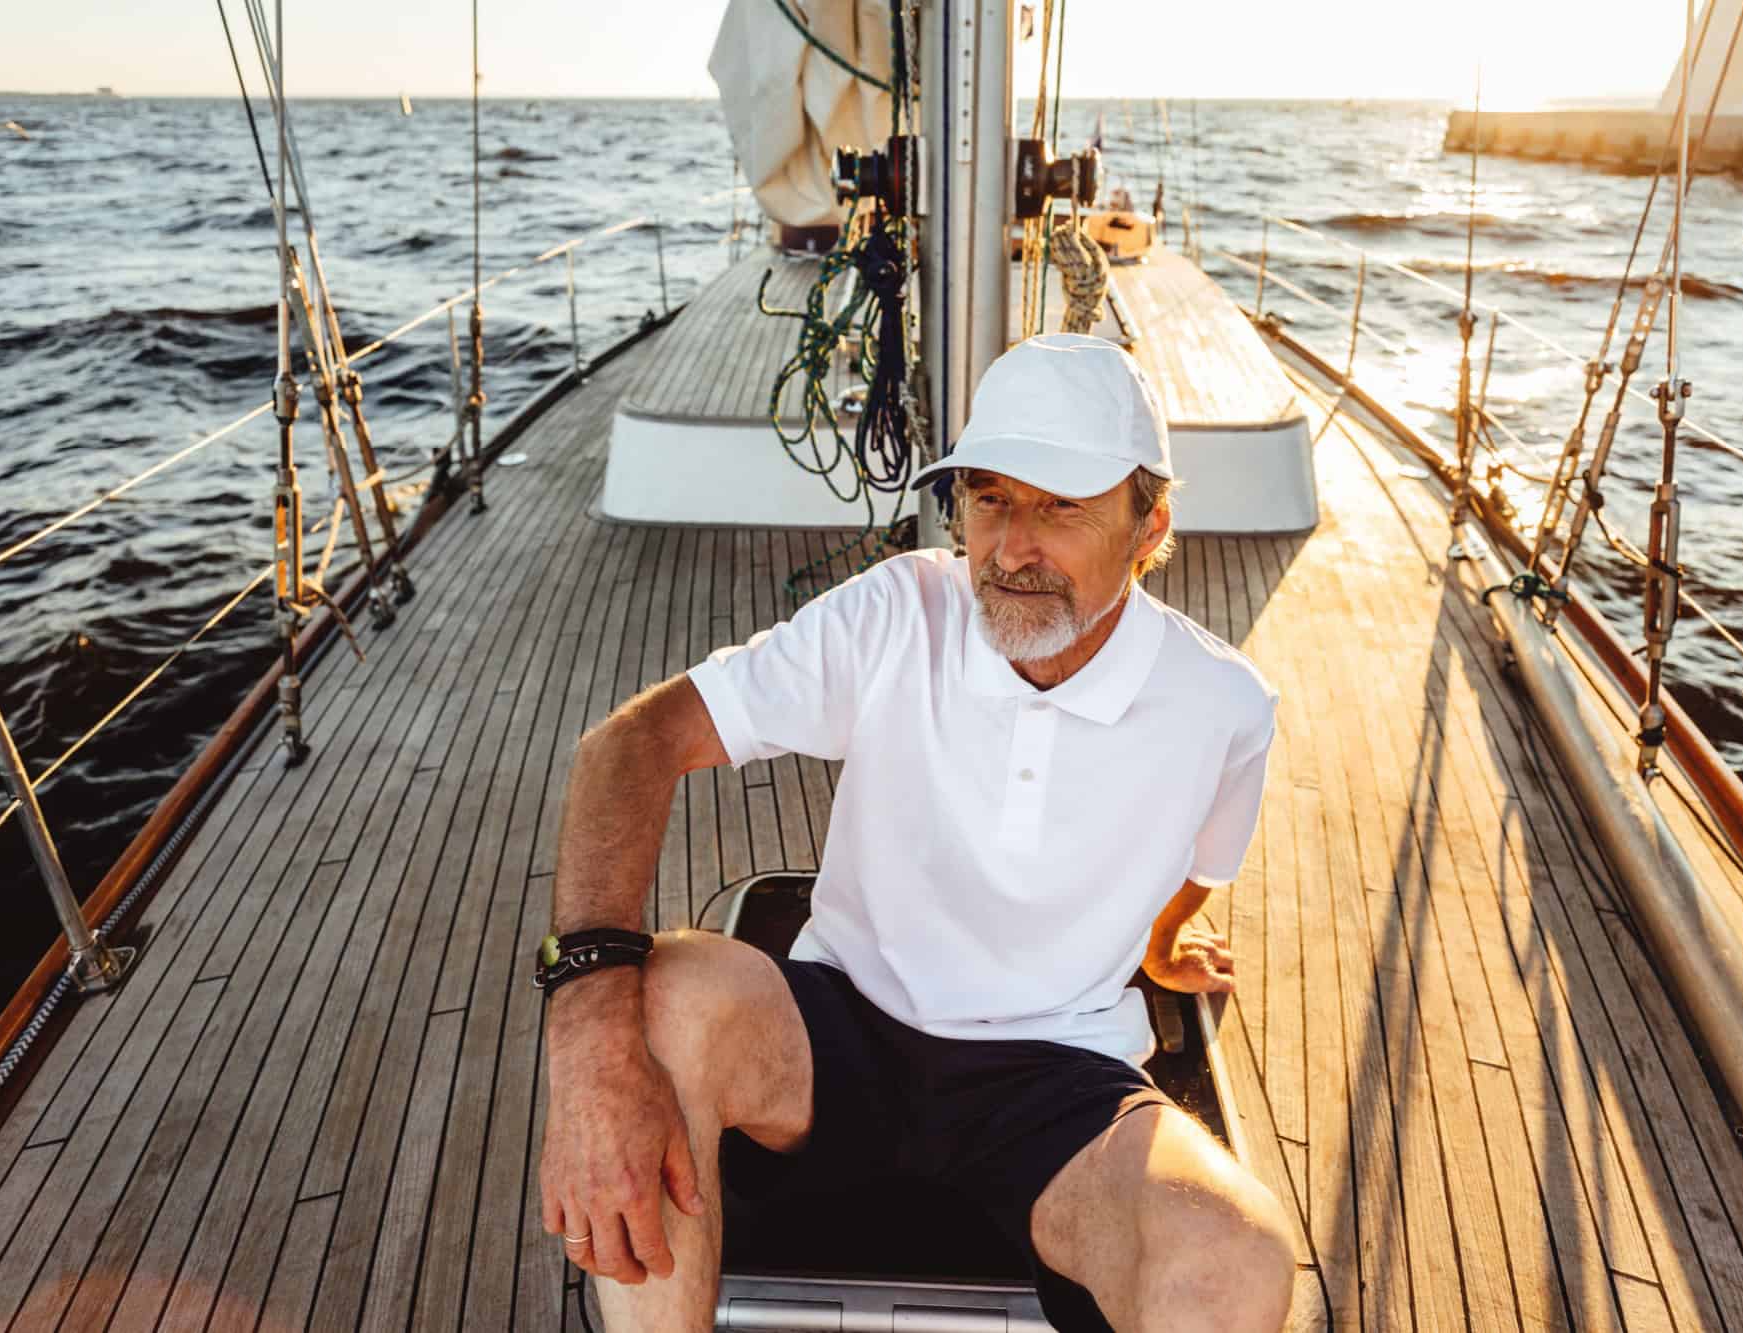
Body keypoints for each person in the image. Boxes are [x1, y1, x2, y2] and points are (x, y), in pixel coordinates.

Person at [537, 333, 1296, 1332]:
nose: (1013, 544)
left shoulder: (1223, 706)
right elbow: (631, 744)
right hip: (836, 1026)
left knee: (1235, 1260)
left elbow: (1196, 868)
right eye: (988, 498)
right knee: (666, 989)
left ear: (1147, 525)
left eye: (1060, 504)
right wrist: (587, 1046)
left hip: (1056, 1081)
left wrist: (1163, 944)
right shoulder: (900, 612)